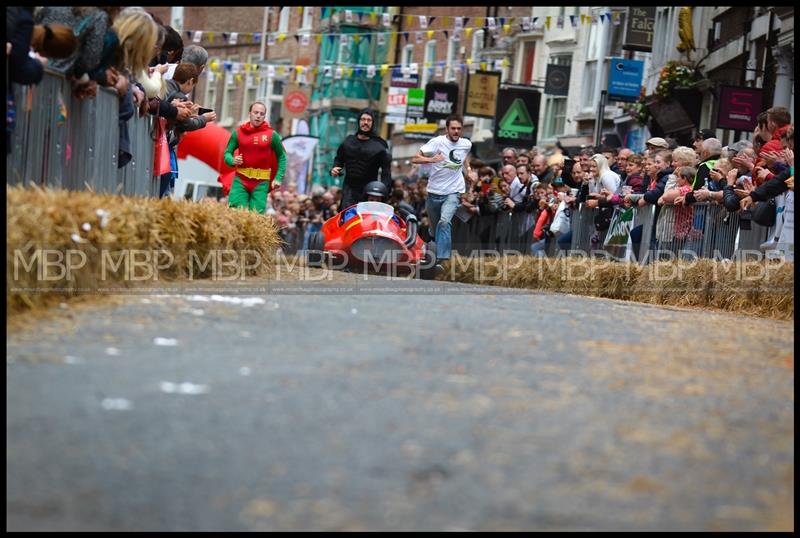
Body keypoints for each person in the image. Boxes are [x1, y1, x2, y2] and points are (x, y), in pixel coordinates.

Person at [411, 114, 472, 262]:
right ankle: (432, 249)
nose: (456, 131)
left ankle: (442, 259)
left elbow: (464, 156)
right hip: (434, 192)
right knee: (434, 227)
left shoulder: (466, 144)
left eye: (459, 128)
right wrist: (431, 159)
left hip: (453, 191)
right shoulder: (436, 142)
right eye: (453, 128)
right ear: (447, 129)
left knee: (444, 222)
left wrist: (469, 169)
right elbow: (415, 158)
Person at [224, 101, 287, 213]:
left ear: (264, 116)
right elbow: (227, 153)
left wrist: (278, 178)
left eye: (262, 114)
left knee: (256, 218)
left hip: (261, 183)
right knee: (235, 213)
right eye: (256, 112)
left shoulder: (272, 135)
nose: (258, 115)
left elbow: (282, 157)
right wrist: (232, 161)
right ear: (250, 114)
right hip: (241, 180)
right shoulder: (238, 132)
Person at [331, 108, 391, 209]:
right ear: (359, 121)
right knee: (347, 216)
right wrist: (335, 168)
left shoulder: (380, 146)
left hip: (369, 191)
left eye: (369, 120)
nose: (365, 122)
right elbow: (339, 160)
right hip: (349, 188)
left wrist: (385, 193)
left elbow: (386, 172)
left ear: (373, 123)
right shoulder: (348, 142)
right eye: (363, 119)